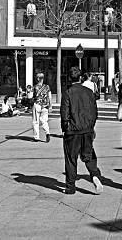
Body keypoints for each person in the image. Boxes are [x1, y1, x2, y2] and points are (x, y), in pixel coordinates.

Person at [60, 67, 103, 195]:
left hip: (72, 131)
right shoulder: (89, 92)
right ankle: (95, 175)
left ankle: (70, 187)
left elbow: (64, 113)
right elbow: (95, 112)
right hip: (87, 129)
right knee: (88, 155)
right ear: (80, 78)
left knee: (71, 158)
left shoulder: (67, 92)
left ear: (69, 78)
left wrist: (65, 128)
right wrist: (91, 126)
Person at [32, 73, 52, 143]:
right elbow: (49, 97)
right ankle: (47, 133)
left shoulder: (35, 87)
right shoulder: (47, 87)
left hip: (37, 104)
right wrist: (50, 106)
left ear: (38, 78)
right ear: (43, 78)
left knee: (36, 121)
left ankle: (36, 137)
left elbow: (32, 96)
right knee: (44, 121)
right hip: (45, 106)